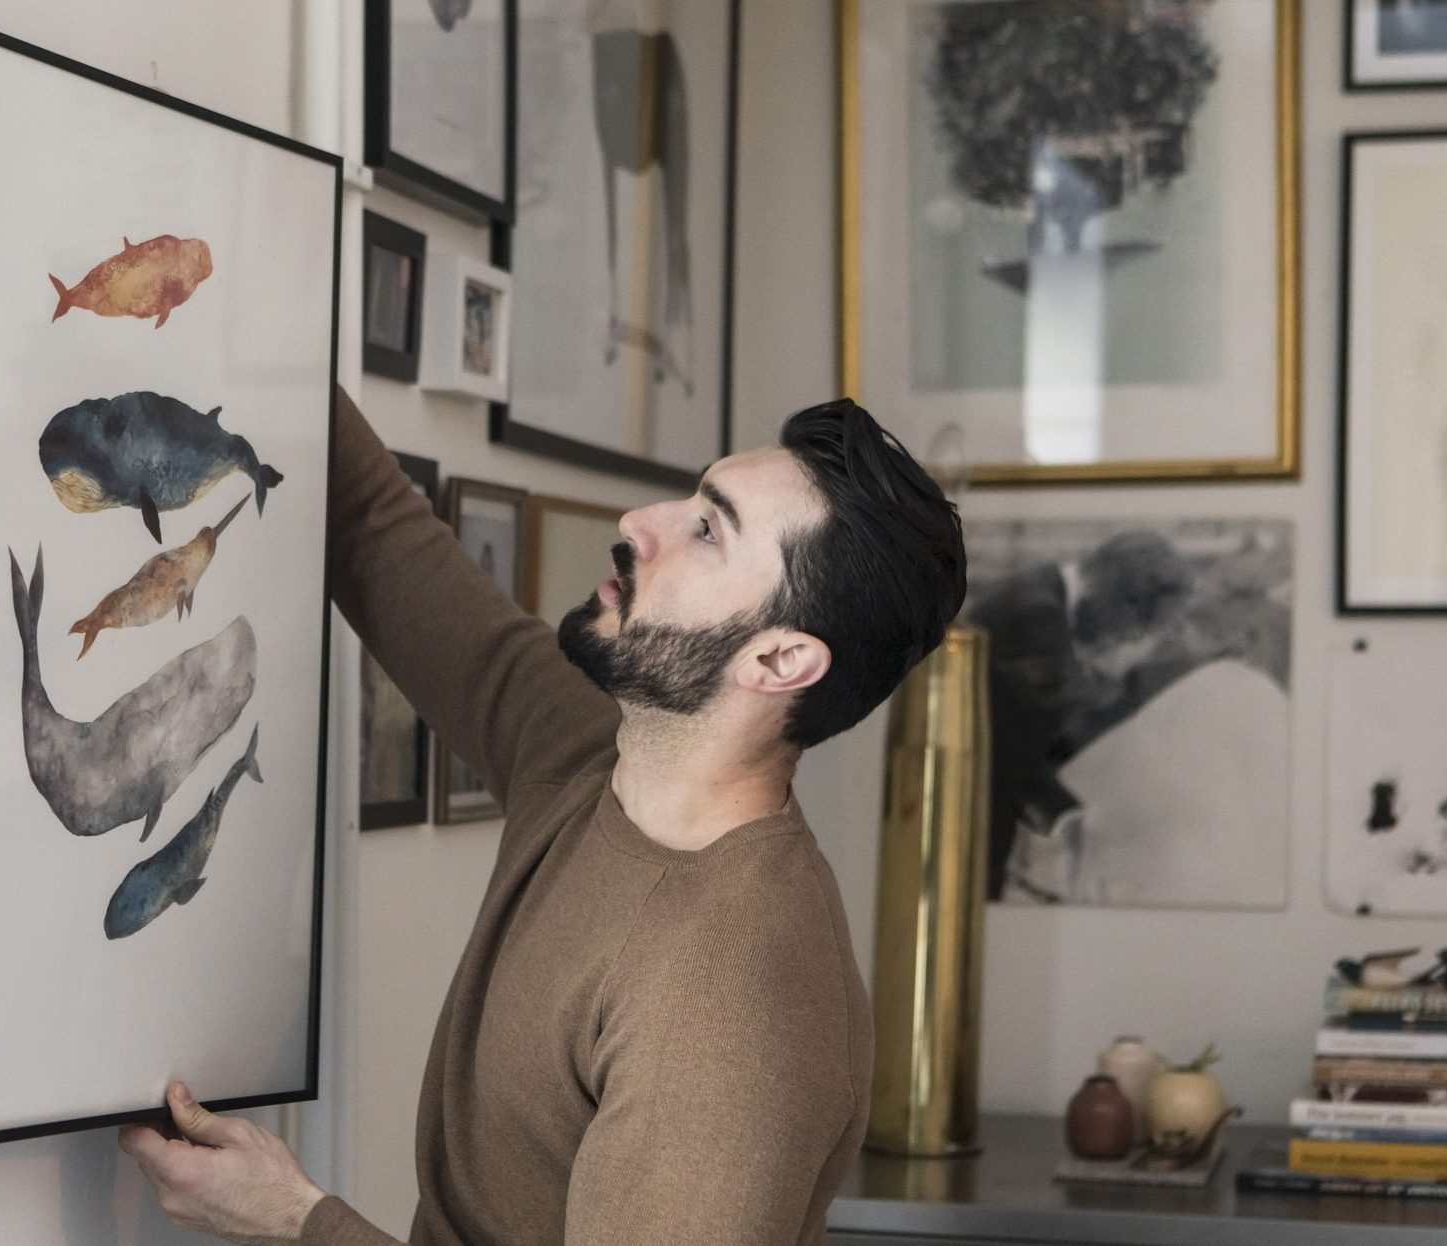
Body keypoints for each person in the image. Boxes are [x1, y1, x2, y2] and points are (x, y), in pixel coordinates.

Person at [119, 386, 967, 1244]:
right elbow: (376, 532)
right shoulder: (582, 750)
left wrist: (295, 1220)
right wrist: (269, 286)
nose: (642, 522)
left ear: (779, 658)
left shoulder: (737, 998)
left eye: (709, 530)